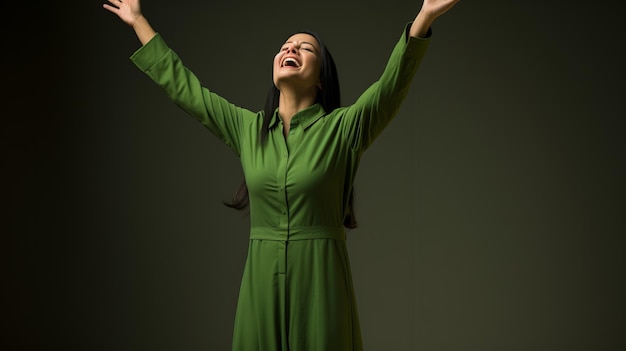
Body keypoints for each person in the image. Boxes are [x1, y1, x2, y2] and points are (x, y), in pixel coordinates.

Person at [103, 0, 460, 349]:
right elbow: (184, 88)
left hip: (321, 282)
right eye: (286, 46)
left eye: (305, 48)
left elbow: (390, 88)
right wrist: (137, 21)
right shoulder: (248, 129)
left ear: (321, 79)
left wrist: (424, 15)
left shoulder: (344, 129)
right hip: (261, 284)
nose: (291, 49)